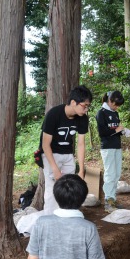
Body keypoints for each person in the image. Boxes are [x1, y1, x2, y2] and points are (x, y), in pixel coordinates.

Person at [39, 85, 92, 215]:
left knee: (70, 189)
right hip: (51, 155)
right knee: (52, 189)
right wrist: (55, 168)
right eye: (84, 106)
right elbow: (45, 145)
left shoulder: (83, 118)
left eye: (88, 106)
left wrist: (81, 170)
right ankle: (50, 219)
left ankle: (68, 217)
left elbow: (81, 144)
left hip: (68, 155)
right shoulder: (54, 114)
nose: (86, 110)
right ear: (73, 102)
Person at [95, 91, 129, 213]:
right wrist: (116, 130)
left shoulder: (115, 113)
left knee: (116, 173)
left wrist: (123, 131)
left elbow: (116, 129)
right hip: (107, 147)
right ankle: (108, 201)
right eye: (115, 104)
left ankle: (113, 199)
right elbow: (102, 132)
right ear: (109, 101)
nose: (117, 107)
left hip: (117, 146)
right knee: (110, 173)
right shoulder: (101, 113)